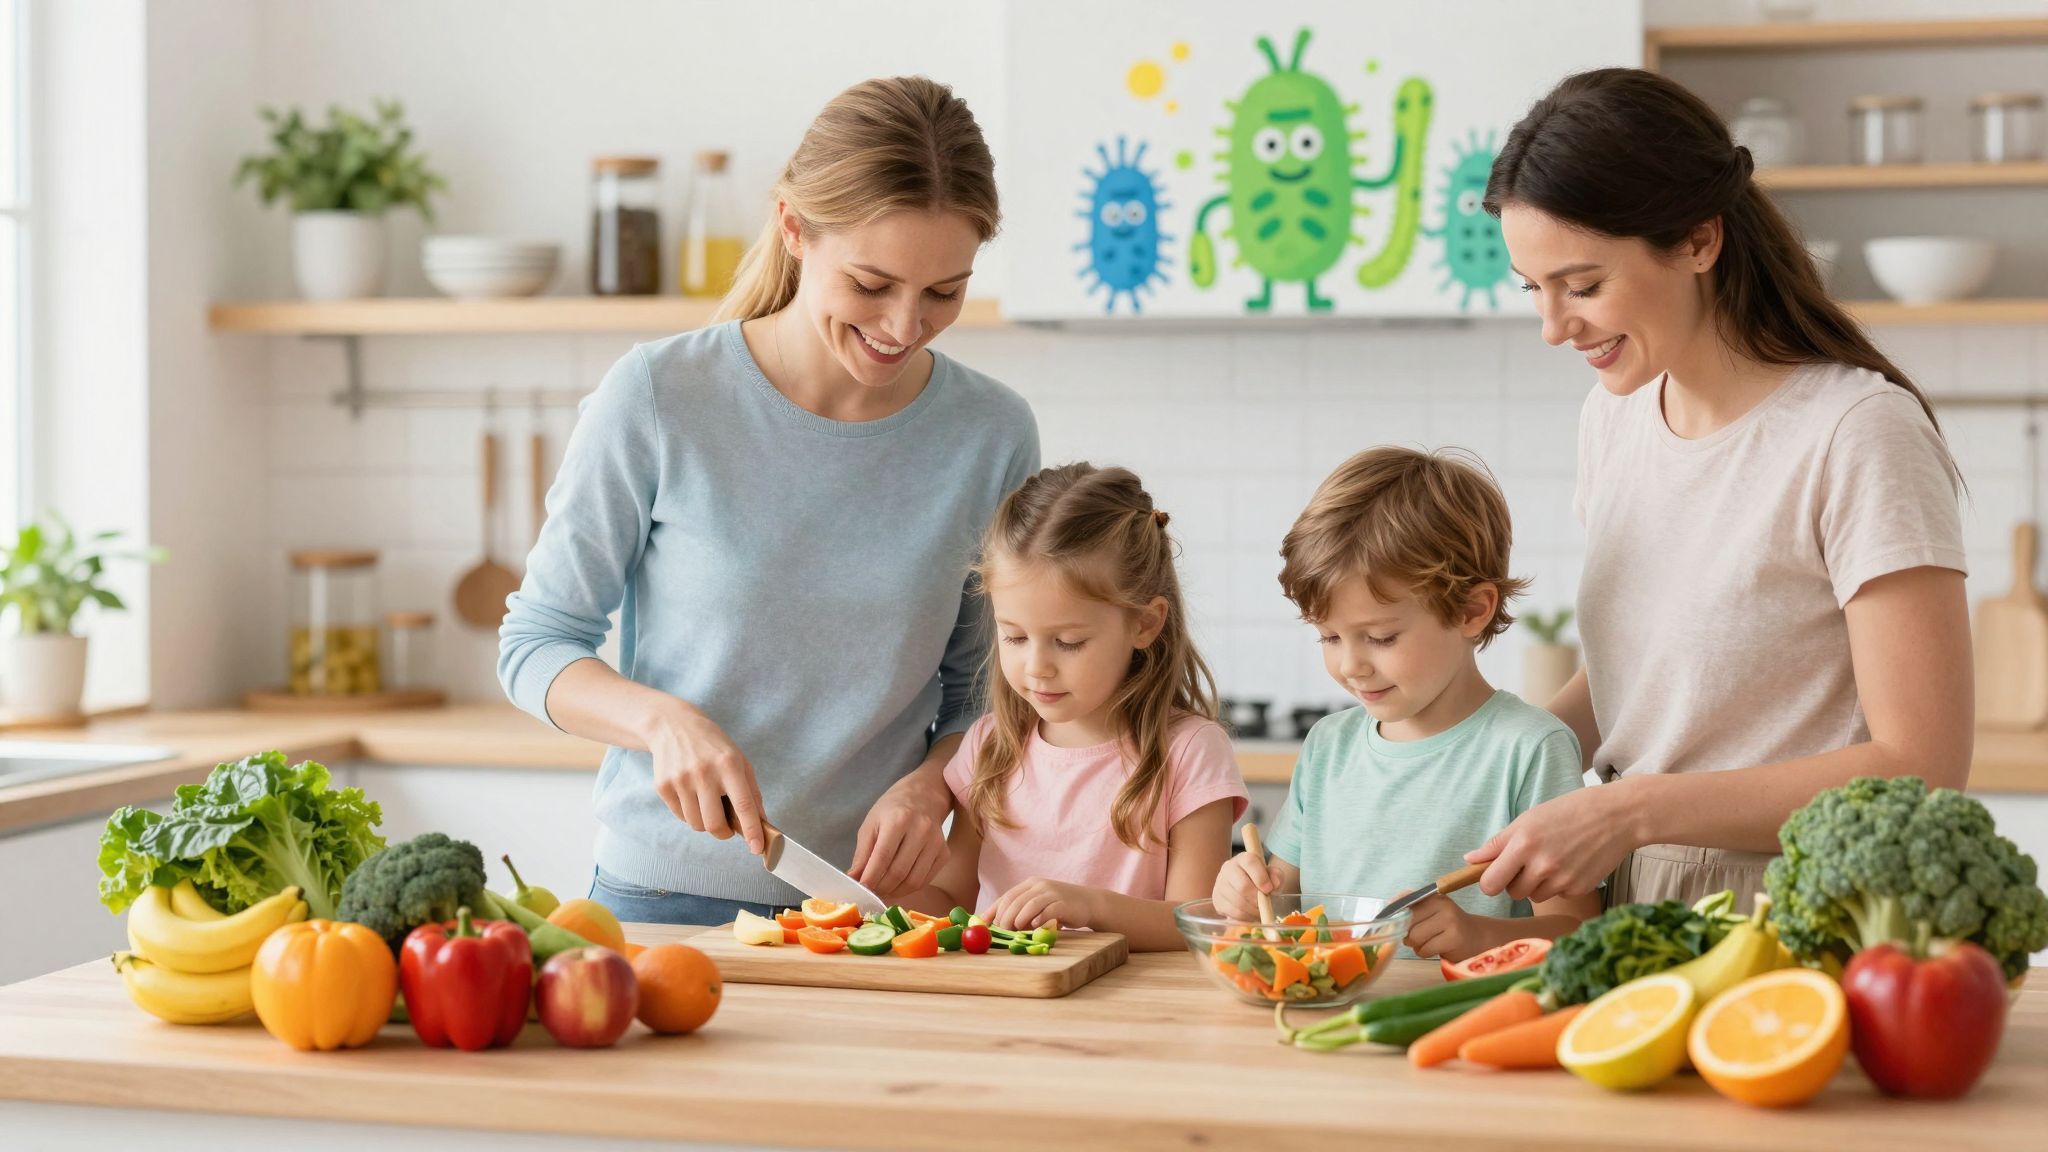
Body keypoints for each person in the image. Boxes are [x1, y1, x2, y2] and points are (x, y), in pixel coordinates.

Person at [498, 76, 1039, 926]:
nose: (904, 325)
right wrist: (661, 721)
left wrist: (933, 783)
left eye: (944, 292)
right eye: (872, 284)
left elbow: (983, 692)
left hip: (869, 916)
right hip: (660, 902)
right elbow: (535, 644)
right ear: (794, 229)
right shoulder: (659, 394)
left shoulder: (991, 434)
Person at [1469, 67, 1970, 910]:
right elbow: (1651, 675)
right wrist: (1482, 757)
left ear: (1699, 242)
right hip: (1634, 889)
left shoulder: (1854, 431)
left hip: (1798, 902)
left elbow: (1919, 764)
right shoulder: (1615, 415)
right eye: (1535, 290)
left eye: (1584, 286)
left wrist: (1632, 810)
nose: (1555, 328)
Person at [1214, 447, 1598, 961]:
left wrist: (1478, 937)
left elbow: (1578, 933)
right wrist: (1245, 888)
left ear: (1471, 610)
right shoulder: (1329, 745)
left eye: (1380, 637)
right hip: (1329, 1016)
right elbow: (1283, 900)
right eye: (1329, 637)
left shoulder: (1529, 748)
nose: (1351, 665)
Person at [893, 464, 1247, 952]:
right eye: (1014, 636)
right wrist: (887, 893)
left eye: (1069, 641)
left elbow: (1197, 923)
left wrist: (1089, 907)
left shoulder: (1190, 751)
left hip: (1134, 1008)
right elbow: (953, 897)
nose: (1037, 667)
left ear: (1144, 624)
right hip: (1005, 1003)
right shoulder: (989, 744)